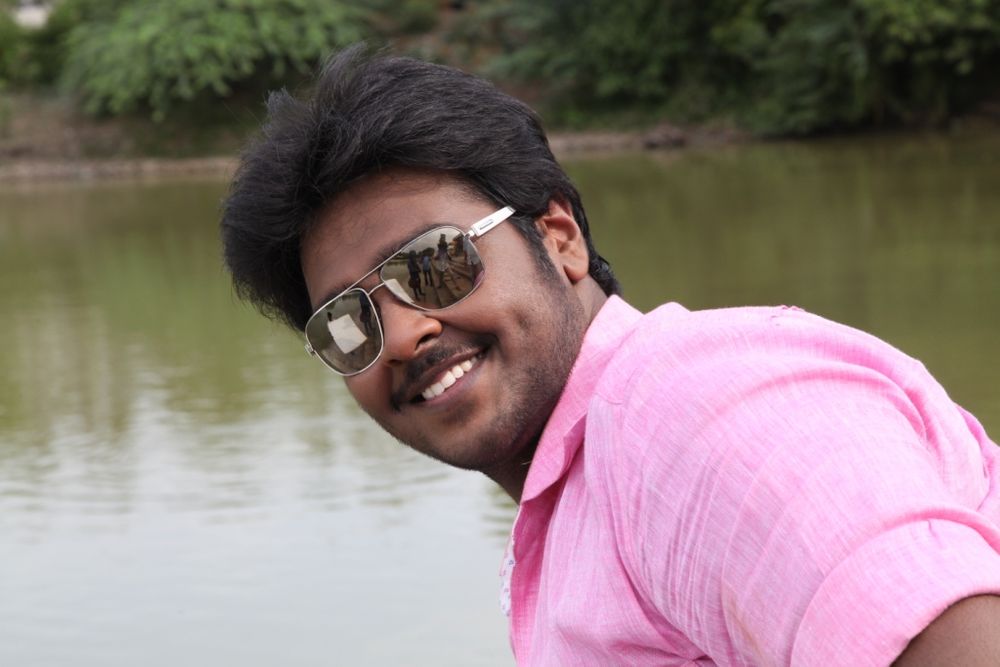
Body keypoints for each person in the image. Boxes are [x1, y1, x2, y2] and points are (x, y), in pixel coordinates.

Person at [220, 46, 1000, 666]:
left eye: (435, 262)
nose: (401, 336)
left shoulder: (696, 414)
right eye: (347, 322)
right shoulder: (587, 488)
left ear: (558, 238)